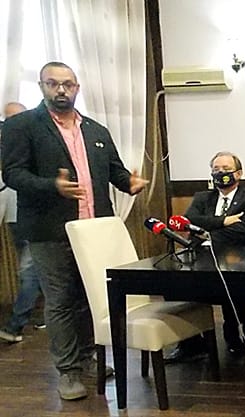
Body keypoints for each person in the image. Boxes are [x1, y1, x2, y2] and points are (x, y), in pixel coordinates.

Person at [0, 62, 149, 401]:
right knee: (61, 300)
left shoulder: (96, 130)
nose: (61, 90)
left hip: (94, 230)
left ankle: (87, 358)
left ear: (77, 87)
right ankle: (68, 371)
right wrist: (52, 186)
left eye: (67, 84)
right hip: (51, 231)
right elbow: (13, 174)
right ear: (42, 86)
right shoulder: (22, 126)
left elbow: (115, 172)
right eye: (53, 83)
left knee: (88, 297)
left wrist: (130, 183)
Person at [165, 151, 245, 361]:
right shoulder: (202, 197)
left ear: (238, 173)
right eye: (216, 169)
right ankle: (191, 343)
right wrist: (223, 221)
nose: (220, 173)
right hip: (201, 259)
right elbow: (189, 221)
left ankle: (234, 338)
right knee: (174, 285)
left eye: (226, 169)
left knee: (233, 287)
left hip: (238, 261)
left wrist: (206, 232)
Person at [1, 102, 46, 344]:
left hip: (25, 216)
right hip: (20, 216)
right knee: (32, 271)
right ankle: (24, 322)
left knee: (31, 270)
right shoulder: (27, 141)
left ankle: (21, 323)